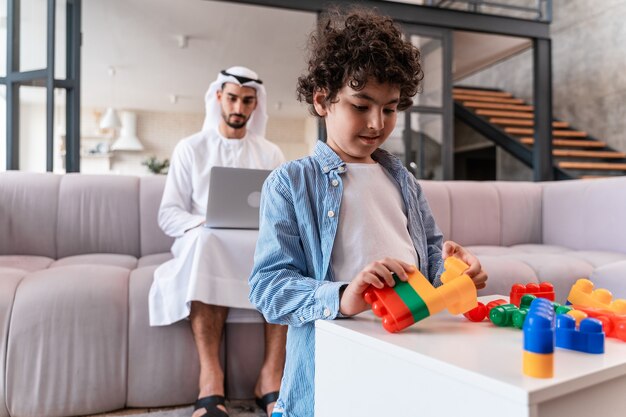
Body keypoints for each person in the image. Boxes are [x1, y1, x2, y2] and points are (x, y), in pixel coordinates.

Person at [248, 9, 488, 417]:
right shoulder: (290, 183)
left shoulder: (404, 181)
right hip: (336, 364)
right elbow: (268, 288)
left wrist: (455, 272)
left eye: (390, 108)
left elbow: (430, 261)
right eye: (361, 106)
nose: (377, 123)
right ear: (323, 99)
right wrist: (344, 296)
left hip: (412, 352)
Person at [149, 66, 287, 417]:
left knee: (286, 251)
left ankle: (271, 377)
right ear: (218, 98)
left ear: (256, 105)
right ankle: (211, 381)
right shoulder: (190, 148)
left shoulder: (270, 153)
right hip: (203, 240)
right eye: (232, 98)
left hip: (255, 241)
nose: (238, 107)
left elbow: (282, 212)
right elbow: (169, 215)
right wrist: (206, 224)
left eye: (247, 100)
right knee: (208, 244)